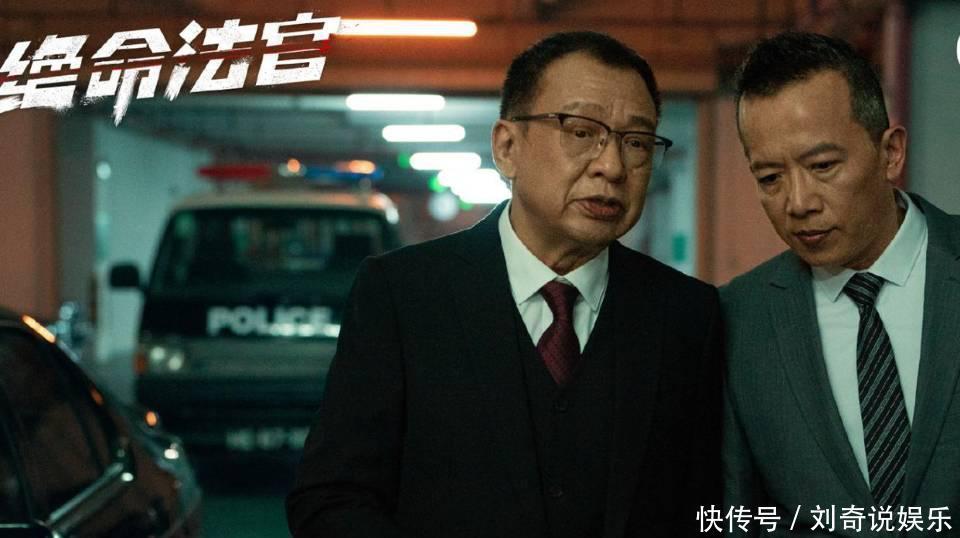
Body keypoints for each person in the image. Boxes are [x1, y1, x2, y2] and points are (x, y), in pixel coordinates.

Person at [287, 30, 722, 538]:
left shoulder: (688, 315)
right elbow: (331, 498)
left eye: (637, 142)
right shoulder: (403, 295)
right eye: (581, 132)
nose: (612, 166)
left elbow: (707, 508)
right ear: (507, 147)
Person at [723, 31, 960, 536]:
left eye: (823, 166)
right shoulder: (738, 319)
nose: (798, 202)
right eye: (770, 178)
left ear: (890, 152)